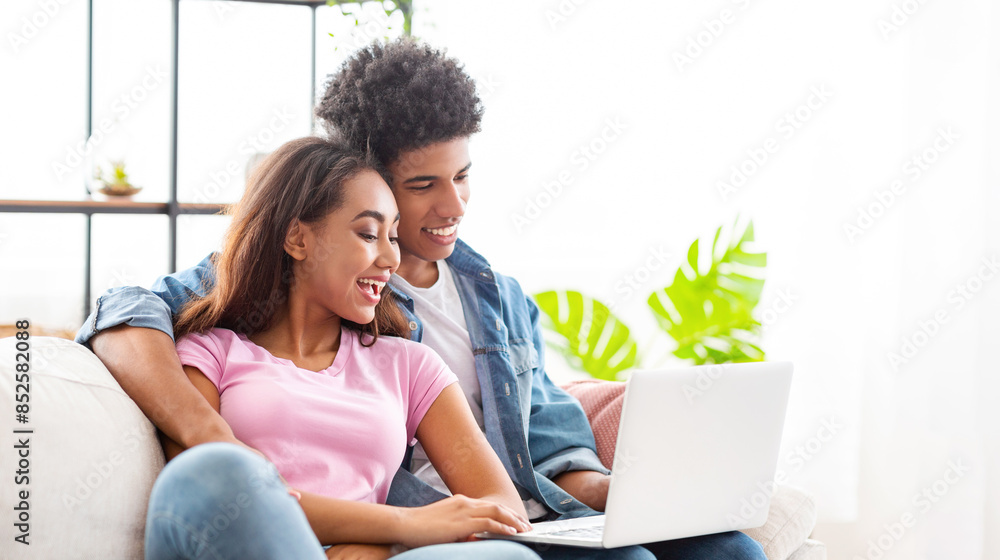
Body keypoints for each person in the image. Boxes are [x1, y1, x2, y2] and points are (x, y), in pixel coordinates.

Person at [76, 39, 764, 560]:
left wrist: (625, 496)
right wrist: (210, 434)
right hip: (429, 526)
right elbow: (129, 309)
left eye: (463, 176)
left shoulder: (494, 293)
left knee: (726, 547)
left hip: (521, 521)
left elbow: (552, 442)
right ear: (364, 179)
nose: (454, 204)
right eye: (424, 185)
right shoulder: (315, 276)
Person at [141, 136, 541, 559]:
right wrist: (400, 526)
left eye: (394, 236)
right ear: (297, 238)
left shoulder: (411, 366)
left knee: (511, 556)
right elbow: (212, 489)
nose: (390, 257)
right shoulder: (210, 353)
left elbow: (503, 511)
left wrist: (378, 547)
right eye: (369, 234)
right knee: (215, 469)